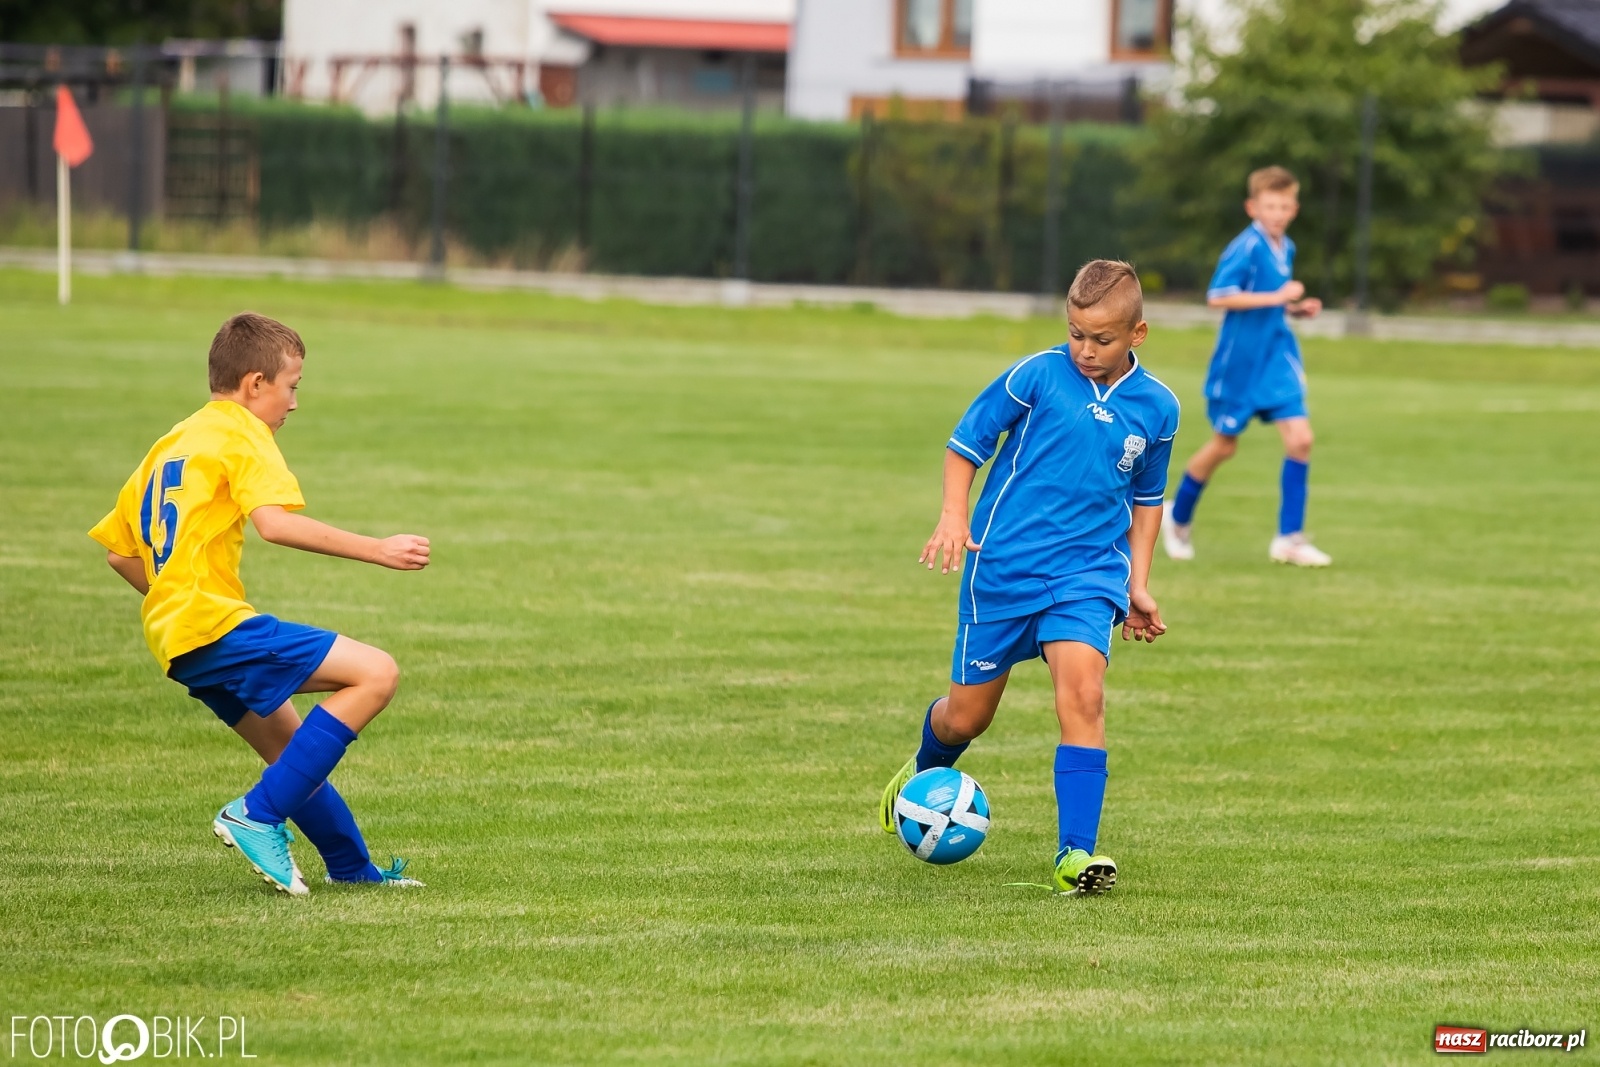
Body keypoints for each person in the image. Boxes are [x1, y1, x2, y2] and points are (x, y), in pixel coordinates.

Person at [89, 312, 431, 895]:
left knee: (294, 755)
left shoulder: (172, 442)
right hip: (213, 624)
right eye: (291, 386)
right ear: (254, 384)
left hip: (176, 638)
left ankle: (352, 870)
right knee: (376, 673)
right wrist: (377, 549)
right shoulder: (243, 432)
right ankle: (253, 815)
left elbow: (120, 555)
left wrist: (174, 593)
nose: (293, 403)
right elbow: (275, 524)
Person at [877, 260, 1179, 895]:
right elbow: (966, 444)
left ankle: (1076, 856)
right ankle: (920, 776)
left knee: (1084, 696)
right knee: (966, 719)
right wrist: (954, 516)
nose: (1085, 349)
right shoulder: (1036, 376)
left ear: (1138, 334)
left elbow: (1148, 500)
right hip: (1003, 570)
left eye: (1101, 339)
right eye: (1076, 333)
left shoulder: (1158, 407)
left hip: (1087, 574)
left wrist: (1137, 583)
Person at [1163, 165, 1330, 567]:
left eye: (1284, 206)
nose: (1277, 213)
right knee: (1225, 445)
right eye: (1270, 206)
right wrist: (1277, 297)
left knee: (1301, 440)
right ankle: (1177, 515)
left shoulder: (1286, 247)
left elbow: (1272, 301)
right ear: (1252, 207)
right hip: (1239, 365)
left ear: (1294, 209)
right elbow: (1218, 296)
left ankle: (1289, 539)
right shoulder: (1246, 247)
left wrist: (1294, 309)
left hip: (1276, 357)